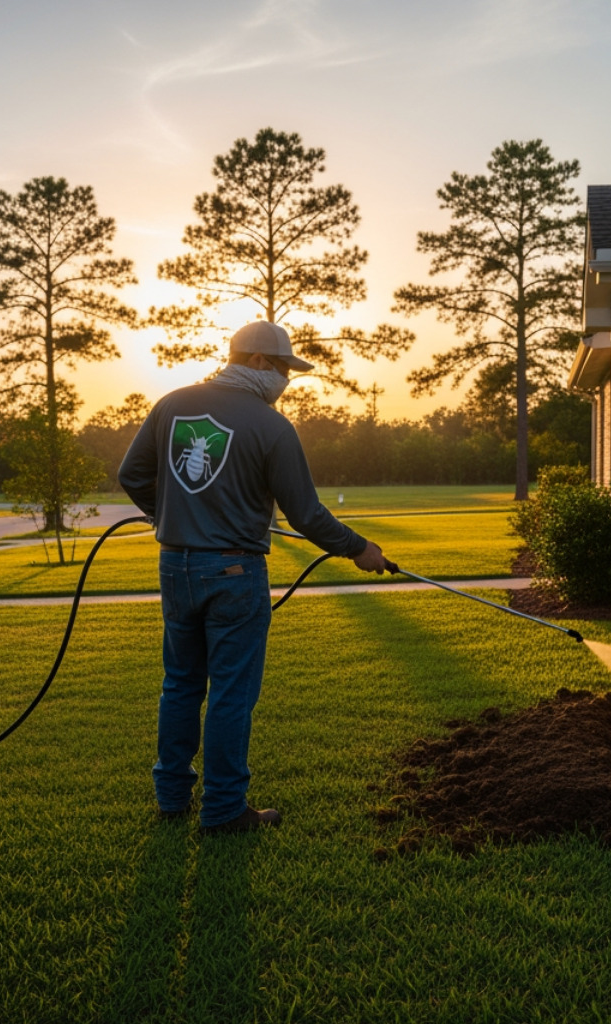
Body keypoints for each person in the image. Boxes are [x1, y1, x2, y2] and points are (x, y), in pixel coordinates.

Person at [118, 321, 390, 834]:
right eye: (285, 368)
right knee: (230, 693)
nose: (287, 379)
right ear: (261, 362)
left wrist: (169, 515)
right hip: (235, 571)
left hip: (175, 566)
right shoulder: (272, 427)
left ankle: (172, 798)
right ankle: (222, 810)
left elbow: (131, 475)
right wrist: (360, 549)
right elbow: (306, 515)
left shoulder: (171, 404)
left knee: (179, 685)